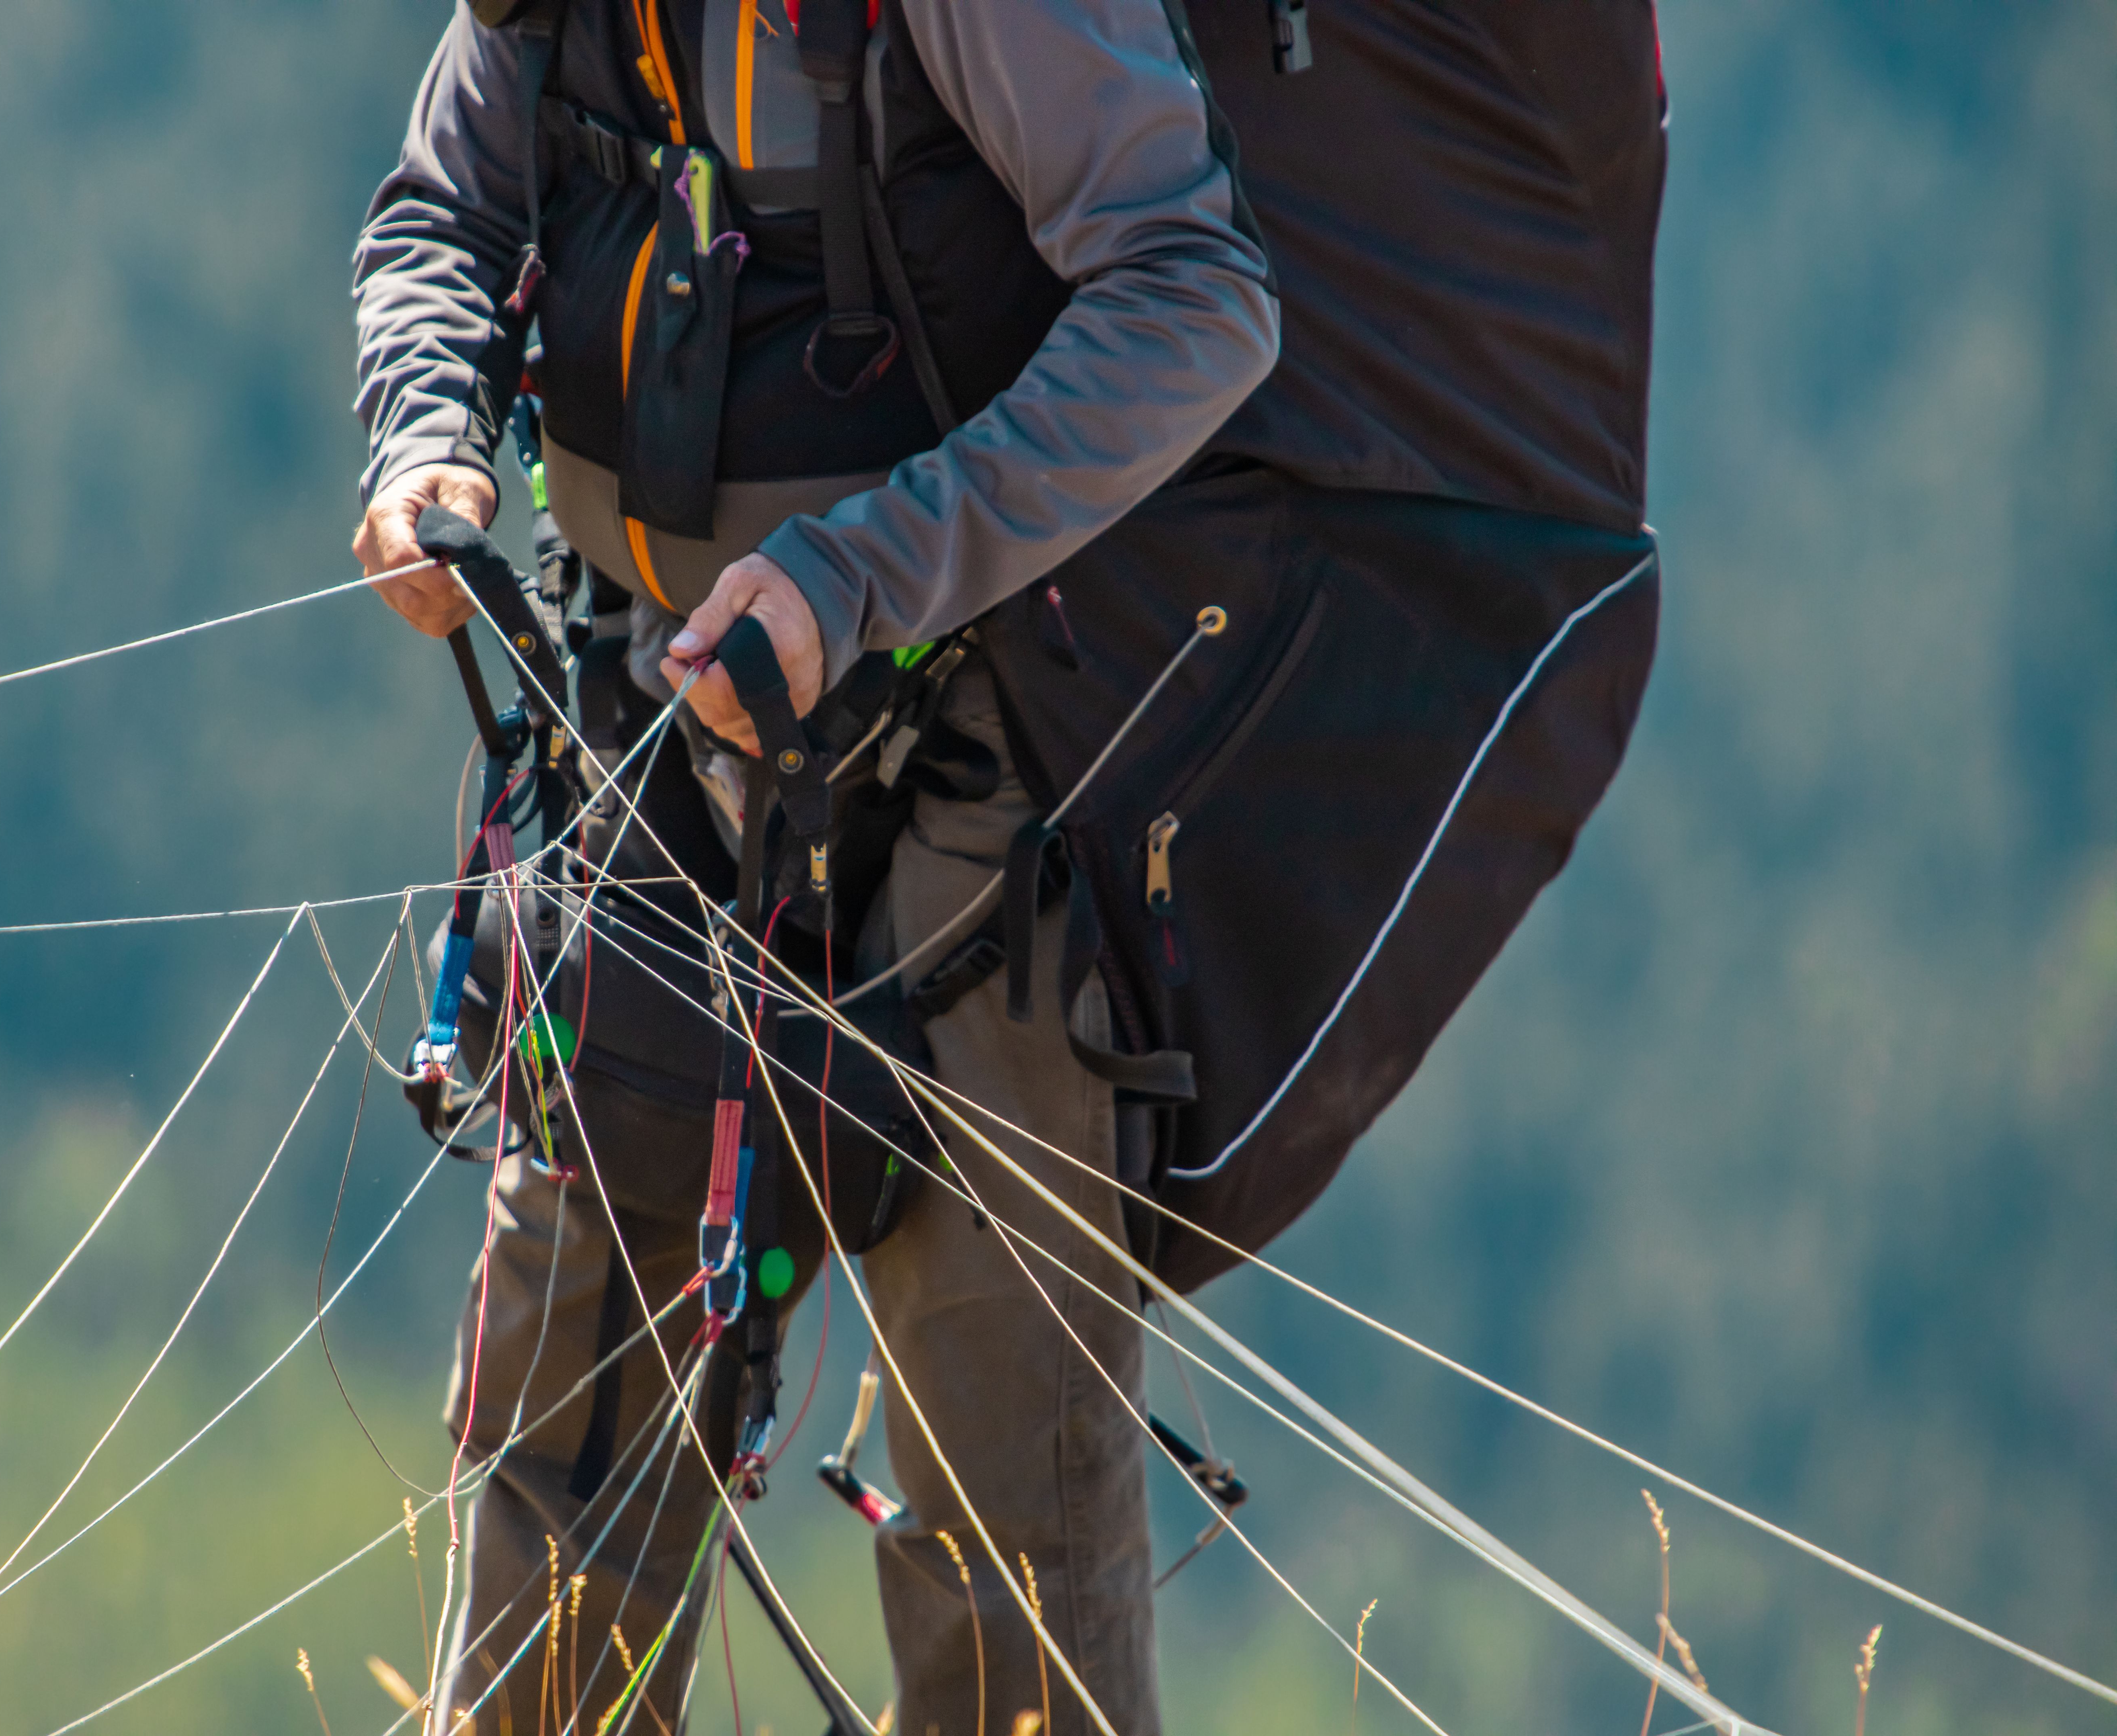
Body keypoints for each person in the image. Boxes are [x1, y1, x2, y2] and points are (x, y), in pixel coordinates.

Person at [349, 0, 1666, 1729]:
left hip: (969, 789)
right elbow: (440, 213)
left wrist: (857, 581)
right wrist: (423, 426)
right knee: (556, 1463)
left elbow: (1197, 301)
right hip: (648, 749)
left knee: (1005, 1552)